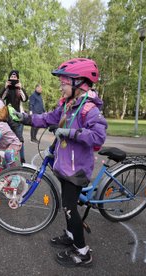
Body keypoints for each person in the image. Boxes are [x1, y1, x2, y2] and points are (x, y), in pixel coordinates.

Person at [15, 58, 107, 267]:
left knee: (69, 207)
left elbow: (98, 137)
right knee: (68, 205)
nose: (61, 87)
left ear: (79, 83)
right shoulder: (68, 105)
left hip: (77, 169)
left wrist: (71, 133)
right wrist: (23, 118)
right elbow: (47, 118)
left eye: (64, 83)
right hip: (65, 165)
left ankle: (83, 252)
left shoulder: (88, 109)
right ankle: (70, 235)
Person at [0, 70, 28, 163]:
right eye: (12, 77)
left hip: (18, 119)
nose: (13, 78)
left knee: (19, 140)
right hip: (8, 119)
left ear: (18, 78)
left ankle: (22, 160)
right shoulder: (8, 89)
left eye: (15, 77)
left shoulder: (19, 89)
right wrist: (5, 87)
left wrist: (20, 88)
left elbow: (25, 99)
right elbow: (1, 98)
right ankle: (8, 161)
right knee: (8, 140)